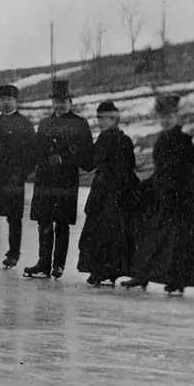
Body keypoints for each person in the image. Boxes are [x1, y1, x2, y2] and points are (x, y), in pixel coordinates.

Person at [121, 93, 194, 295]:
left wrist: (177, 189)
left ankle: (175, 281)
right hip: (161, 191)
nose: (165, 119)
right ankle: (141, 276)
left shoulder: (184, 140)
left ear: (176, 116)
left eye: (169, 115)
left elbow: (188, 169)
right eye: (162, 116)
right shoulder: (162, 138)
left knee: (175, 241)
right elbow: (161, 169)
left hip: (178, 195)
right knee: (148, 234)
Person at [24, 79, 95, 279]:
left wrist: (65, 159)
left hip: (66, 180)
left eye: (63, 101)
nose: (59, 104)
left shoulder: (80, 124)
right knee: (44, 222)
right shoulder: (45, 123)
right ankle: (43, 263)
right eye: (56, 100)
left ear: (70, 102)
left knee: (62, 223)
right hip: (45, 179)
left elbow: (88, 156)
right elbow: (36, 151)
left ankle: (59, 265)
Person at [77, 101, 140, 287]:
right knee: (102, 231)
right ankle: (105, 270)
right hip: (104, 190)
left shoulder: (121, 140)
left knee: (107, 231)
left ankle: (103, 271)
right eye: (98, 118)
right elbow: (90, 163)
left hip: (115, 192)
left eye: (102, 118)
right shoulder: (104, 139)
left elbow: (128, 166)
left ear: (114, 119)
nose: (99, 122)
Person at [0, 84, 36, 269]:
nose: (5, 103)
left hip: (14, 179)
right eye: (2, 99)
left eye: (9, 99)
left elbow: (31, 155)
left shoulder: (25, 125)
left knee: (14, 218)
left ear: (16, 101)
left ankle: (13, 254)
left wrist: (20, 174)